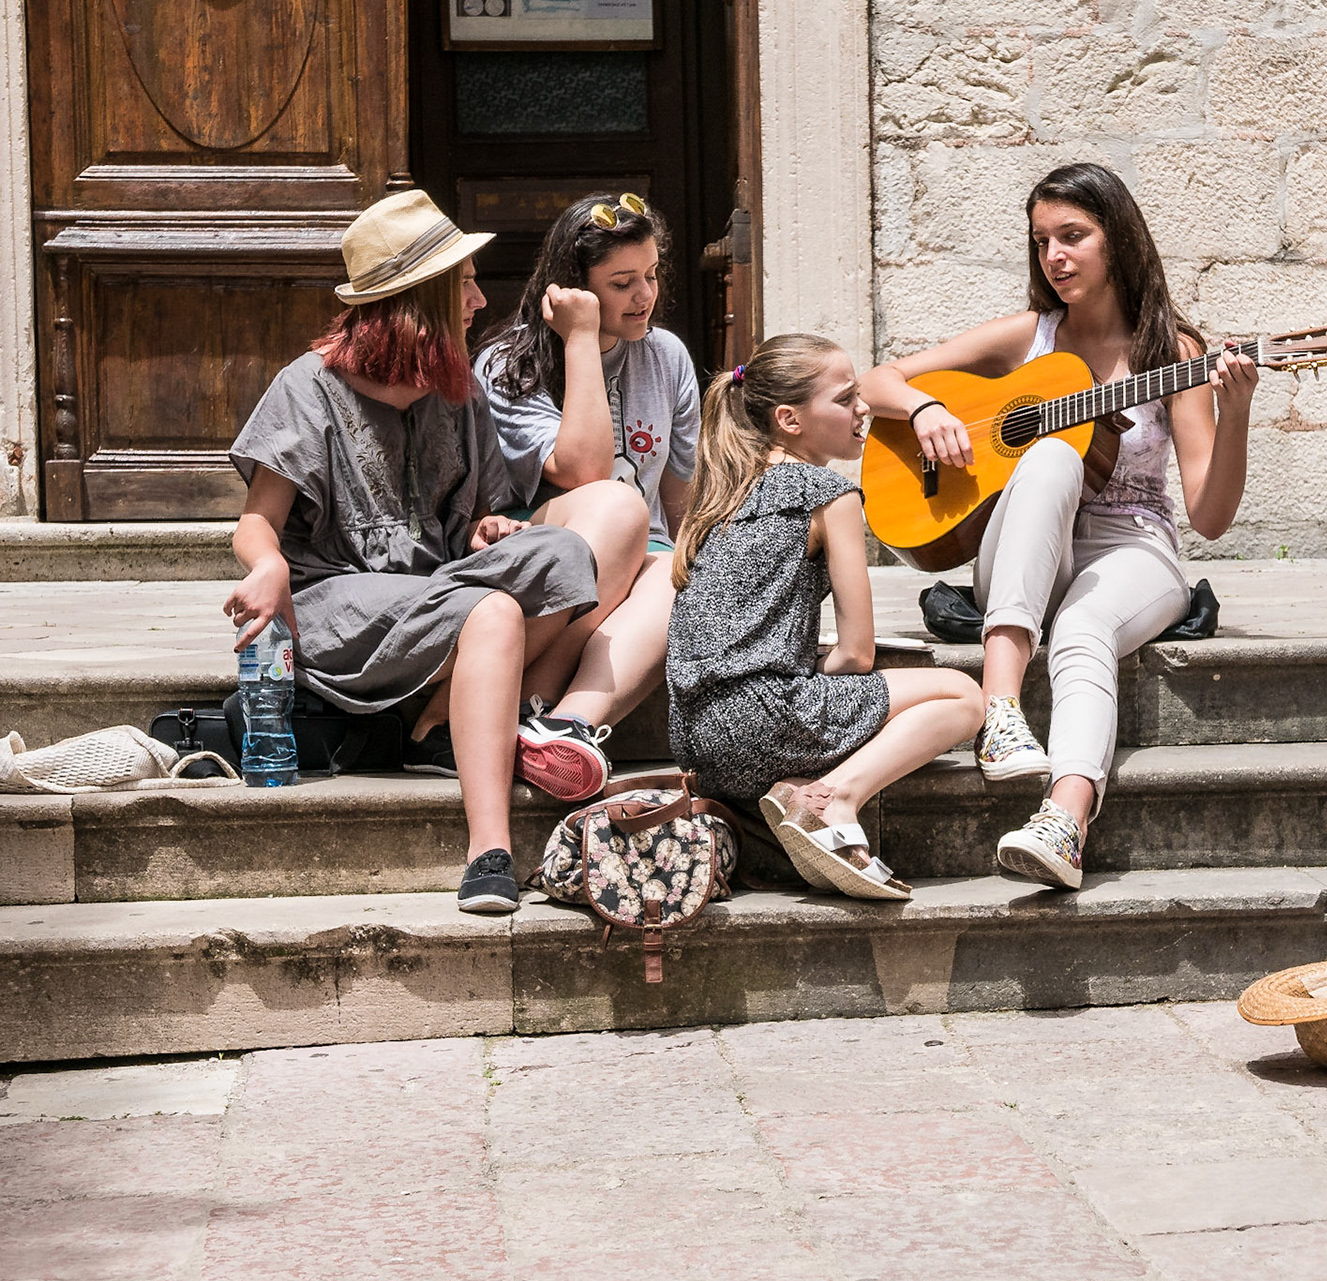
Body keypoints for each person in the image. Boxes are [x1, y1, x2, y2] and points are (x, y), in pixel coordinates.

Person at [859, 162, 1258, 890]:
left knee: (1081, 629)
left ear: (1119, 240)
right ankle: (1001, 710)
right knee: (1049, 457)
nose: (1054, 256)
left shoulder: (1173, 354)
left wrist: (1236, 414)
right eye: (1042, 240)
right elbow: (873, 382)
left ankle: (1064, 821)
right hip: (1023, 545)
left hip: (1131, 542)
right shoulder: (1030, 337)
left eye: (1072, 236)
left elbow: (1210, 515)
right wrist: (924, 409)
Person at [223, 190, 602, 914]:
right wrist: (268, 566)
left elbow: (476, 517)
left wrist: (487, 530)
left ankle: (437, 719)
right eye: (464, 285)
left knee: (564, 556)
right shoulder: (306, 387)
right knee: (492, 613)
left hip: (436, 589)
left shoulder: (456, 391)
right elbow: (256, 523)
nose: (478, 300)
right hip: (334, 601)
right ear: (416, 299)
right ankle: (489, 851)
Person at [666, 335, 985, 900]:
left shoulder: (721, 493)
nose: (863, 408)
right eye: (844, 399)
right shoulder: (828, 494)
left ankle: (797, 786)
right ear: (789, 420)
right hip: (761, 720)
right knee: (964, 695)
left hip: (694, 740)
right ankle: (832, 797)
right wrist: (821, 673)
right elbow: (858, 654)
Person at [464, 193, 699, 798]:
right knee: (619, 507)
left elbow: (679, 497)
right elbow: (585, 470)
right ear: (573, 286)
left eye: (651, 275)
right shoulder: (508, 363)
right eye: (622, 283)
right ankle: (530, 698)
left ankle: (565, 725)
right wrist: (581, 338)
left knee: (680, 569)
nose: (644, 296)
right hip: (545, 554)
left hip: (642, 559)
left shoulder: (667, 356)